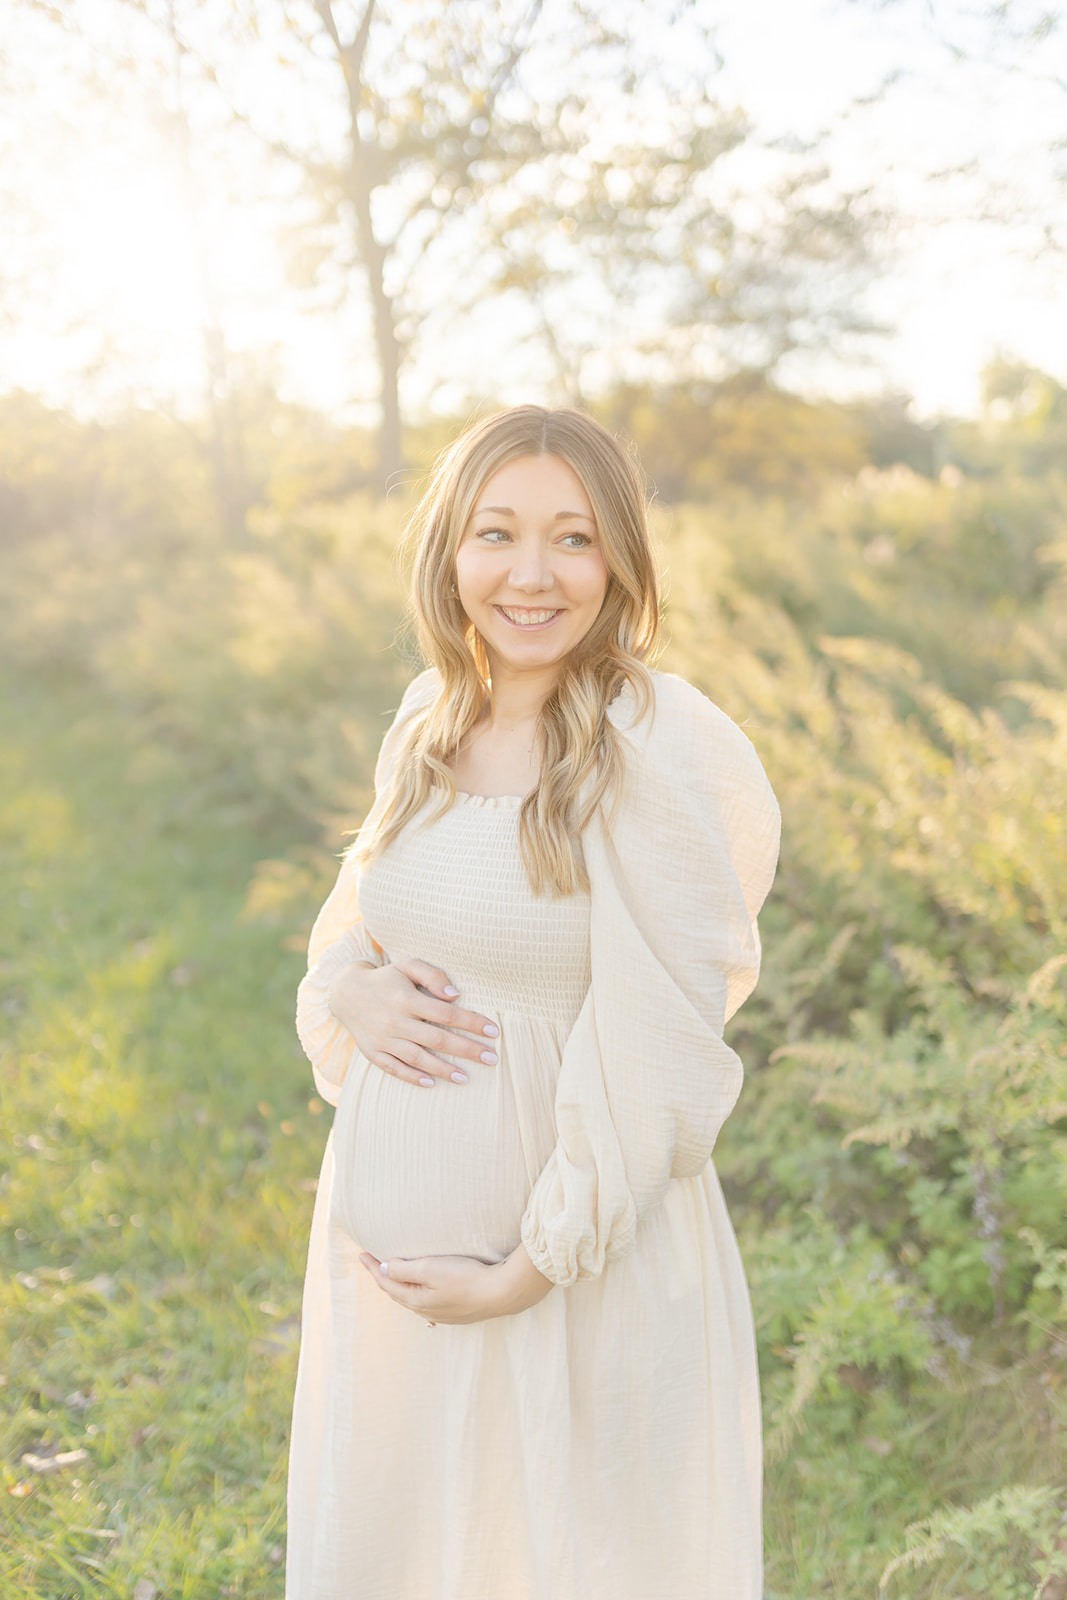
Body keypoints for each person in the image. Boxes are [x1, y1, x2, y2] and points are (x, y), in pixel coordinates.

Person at [286, 405, 781, 1600]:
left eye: (571, 538)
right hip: (398, 1297)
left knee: (581, 1558)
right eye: (496, 532)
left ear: (617, 559)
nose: (529, 574)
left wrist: (521, 1273)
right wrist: (347, 986)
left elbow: (666, 1038)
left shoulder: (653, 743)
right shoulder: (428, 717)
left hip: (580, 1275)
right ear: (448, 550)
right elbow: (352, 930)